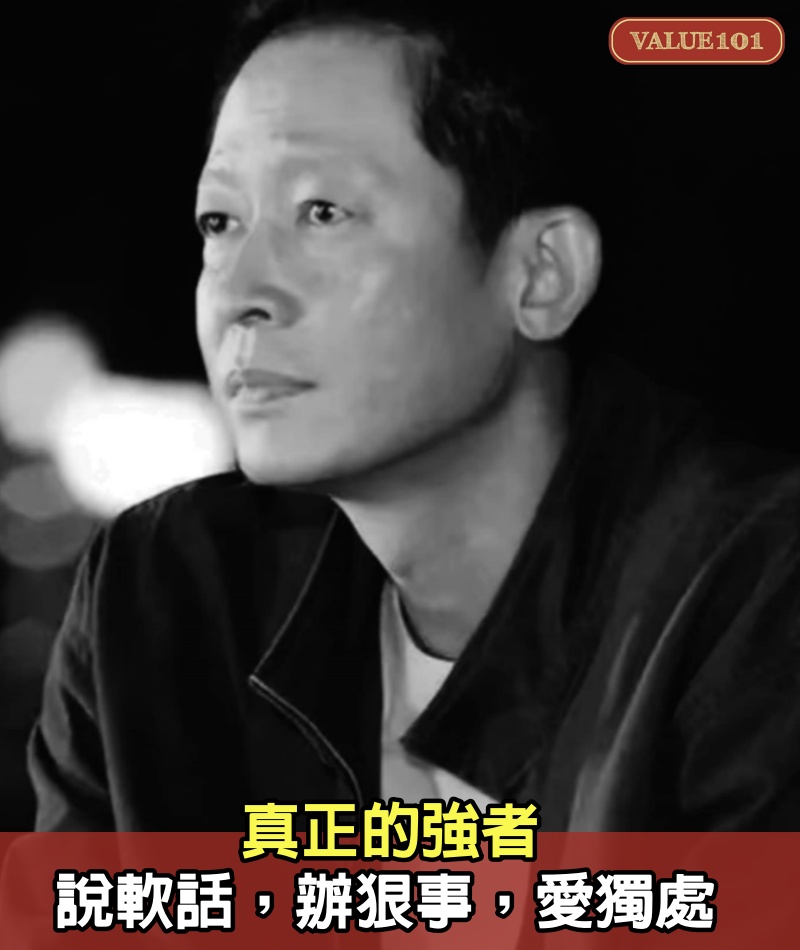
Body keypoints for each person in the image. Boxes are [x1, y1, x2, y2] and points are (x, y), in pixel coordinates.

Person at [29, 0, 800, 832]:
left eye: (322, 212)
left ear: (542, 275)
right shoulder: (159, 599)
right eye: (220, 222)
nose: (241, 291)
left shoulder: (753, 593)